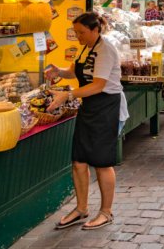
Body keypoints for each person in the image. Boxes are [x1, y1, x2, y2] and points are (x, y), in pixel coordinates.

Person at [46, 12, 128, 231]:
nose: (77, 36)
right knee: (79, 160)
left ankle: (106, 212)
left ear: (95, 30)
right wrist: (58, 71)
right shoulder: (86, 47)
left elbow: (97, 86)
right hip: (89, 107)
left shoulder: (105, 49)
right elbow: (74, 72)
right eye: (75, 32)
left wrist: (67, 95)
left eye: (81, 32)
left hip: (106, 107)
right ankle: (81, 208)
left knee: (102, 162)